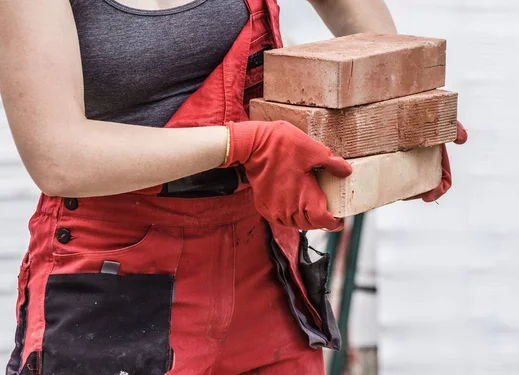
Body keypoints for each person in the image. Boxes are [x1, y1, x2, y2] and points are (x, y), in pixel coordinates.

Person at [0, 0, 464, 374]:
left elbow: (368, 39)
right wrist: (244, 143)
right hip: (118, 275)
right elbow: (57, 157)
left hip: (260, 270)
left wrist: (394, 123)